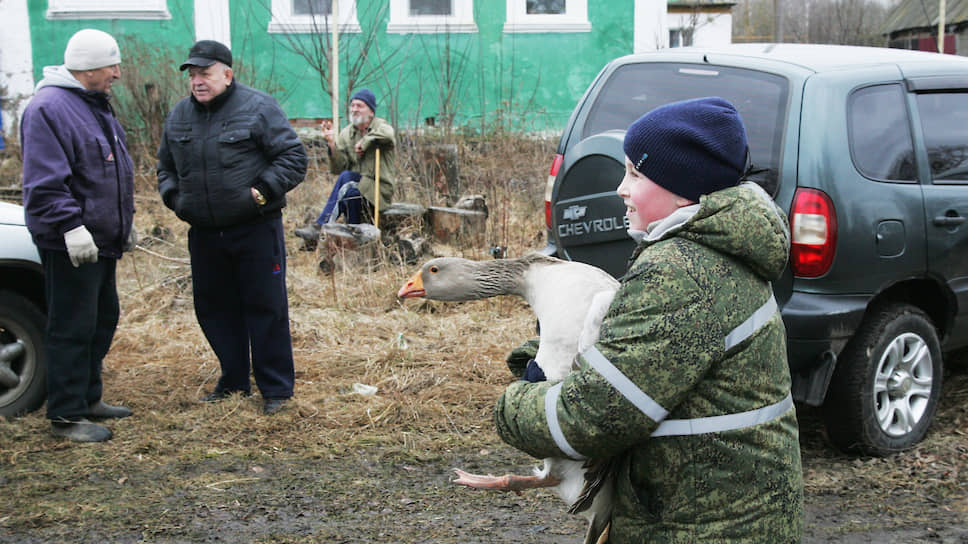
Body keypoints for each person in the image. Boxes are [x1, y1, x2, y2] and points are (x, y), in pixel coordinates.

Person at [494, 97, 804, 542]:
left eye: (635, 175)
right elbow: (645, 364)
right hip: (735, 517)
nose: (621, 188)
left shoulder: (681, 273)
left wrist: (512, 404)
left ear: (682, 189)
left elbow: (594, 418)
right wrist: (549, 350)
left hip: (702, 529)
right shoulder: (717, 252)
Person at [156, 40, 307, 415]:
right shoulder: (178, 117)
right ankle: (234, 378)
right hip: (205, 233)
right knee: (214, 308)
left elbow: (293, 157)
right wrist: (176, 199)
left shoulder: (258, 108)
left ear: (227, 73)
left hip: (255, 228)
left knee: (266, 307)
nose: (197, 82)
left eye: (205, 74)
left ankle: (275, 389)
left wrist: (261, 193)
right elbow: (165, 168)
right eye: (193, 75)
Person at [21, 28, 136, 443]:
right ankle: (66, 415)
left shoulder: (93, 104)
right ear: (88, 67)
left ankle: (88, 397)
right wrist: (70, 226)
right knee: (71, 325)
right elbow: (45, 181)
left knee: (101, 319)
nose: (118, 74)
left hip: (102, 239)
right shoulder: (49, 108)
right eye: (112, 65)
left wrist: (125, 221)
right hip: (71, 242)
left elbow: (108, 170)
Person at [294, 88, 396, 249]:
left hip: (379, 190)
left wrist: (366, 142)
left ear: (371, 111)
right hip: (358, 189)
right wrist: (332, 144)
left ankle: (321, 227)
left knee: (348, 178)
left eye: (359, 106)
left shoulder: (380, 126)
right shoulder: (347, 133)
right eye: (352, 105)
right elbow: (337, 168)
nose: (354, 109)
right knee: (350, 192)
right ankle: (353, 243)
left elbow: (389, 135)